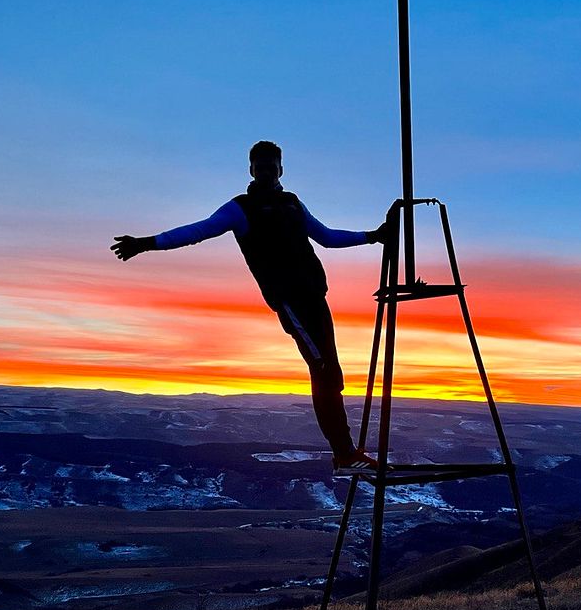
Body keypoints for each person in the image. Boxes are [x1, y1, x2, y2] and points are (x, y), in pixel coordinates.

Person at [111, 140, 389, 474]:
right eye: (261, 167)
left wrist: (373, 236)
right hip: (290, 301)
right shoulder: (240, 209)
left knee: (331, 373)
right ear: (251, 170)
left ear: (280, 169)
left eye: (272, 166)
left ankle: (346, 454)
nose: (267, 172)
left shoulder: (292, 203)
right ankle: (344, 455)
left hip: (316, 296)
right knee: (324, 372)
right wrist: (146, 244)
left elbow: (326, 237)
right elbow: (197, 231)